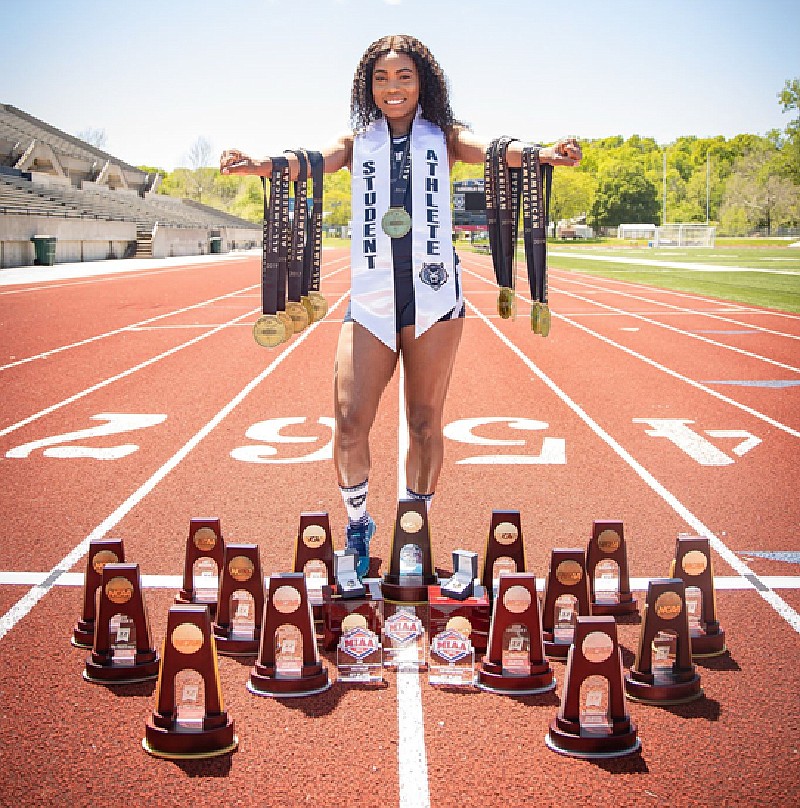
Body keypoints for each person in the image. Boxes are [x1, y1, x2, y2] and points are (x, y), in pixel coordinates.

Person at [221, 34, 581, 576]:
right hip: (370, 296)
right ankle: (360, 524)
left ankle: (414, 529)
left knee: (425, 422)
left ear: (423, 83)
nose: (393, 87)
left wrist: (543, 152)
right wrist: (263, 164)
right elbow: (312, 161)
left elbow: (495, 151)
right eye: (382, 78)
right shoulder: (356, 141)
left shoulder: (445, 137)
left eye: (405, 77)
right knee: (348, 419)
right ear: (369, 86)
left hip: (435, 296)